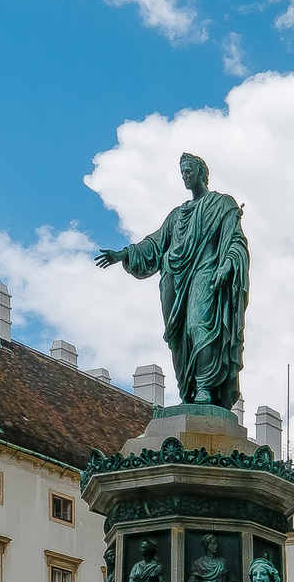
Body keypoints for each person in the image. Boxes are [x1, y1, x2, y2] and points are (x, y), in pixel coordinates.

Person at [95, 153, 249, 409]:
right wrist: (123, 253)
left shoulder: (223, 205)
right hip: (174, 281)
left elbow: (236, 241)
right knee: (179, 339)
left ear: (202, 173)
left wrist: (228, 263)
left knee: (199, 327)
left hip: (207, 273)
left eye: (189, 171)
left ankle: (204, 387)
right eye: (182, 173)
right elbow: (154, 243)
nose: (185, 176)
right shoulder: (177, 216)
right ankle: (188, 389)